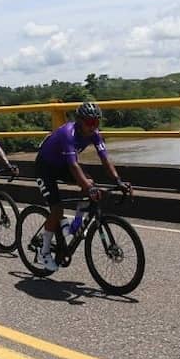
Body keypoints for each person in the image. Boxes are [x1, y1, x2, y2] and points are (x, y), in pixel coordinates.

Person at [33, 102, 131, 272]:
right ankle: (44, 251)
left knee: (89, 182)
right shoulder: (68, 133)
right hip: (45, 168)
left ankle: (76, 224)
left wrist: (118, 180)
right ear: (79, 121)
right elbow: (73, 165)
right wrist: (87, 187)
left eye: (96, 122)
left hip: (62, 165)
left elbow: (105, 158)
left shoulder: (95, 134)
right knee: (57, 210)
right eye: (89, 122)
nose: (93, 126)